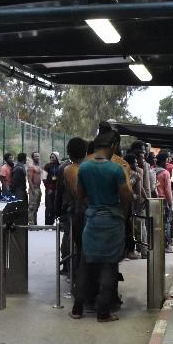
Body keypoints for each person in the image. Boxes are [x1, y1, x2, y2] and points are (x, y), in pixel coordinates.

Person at [71, 132, 132, 322]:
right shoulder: (116, 169)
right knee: (109, 266)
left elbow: (79, 194)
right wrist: (120, 213)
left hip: (92, 221)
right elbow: (126, 196)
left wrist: (93, 206)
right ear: (113, 145)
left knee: (85, 265)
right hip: (112, 223)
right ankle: (103, 312)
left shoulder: (84, 168)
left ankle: (77, 309)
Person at [56, 138, 87, 279]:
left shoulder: (65, 168)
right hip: (85, 212)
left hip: (72, 211)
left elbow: (58, 192)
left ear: (69, 152)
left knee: (70, 239)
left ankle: (70, 269)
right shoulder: (90, 166)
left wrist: (56, 211)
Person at [154, 152, 173, 244]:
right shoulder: (165, 173)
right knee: (166, 223)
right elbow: (167, 189)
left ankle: (156, 242)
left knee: (155, 223)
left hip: (154, 200)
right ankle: (165, 244)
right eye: (167, 159)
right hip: (164, 200)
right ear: (164, 161)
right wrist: (170, 202)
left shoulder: (152, 170)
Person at [43, 151, 61, 226]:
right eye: (50, 157)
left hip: (57, 189)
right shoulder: (47, 165)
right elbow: (44, 177)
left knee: (55, 205)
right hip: (49, 188)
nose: (51, 158)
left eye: (53, 157)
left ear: (57, 158)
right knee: (49, 206)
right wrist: (47, 187)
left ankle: (53, 221)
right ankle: (47, 223)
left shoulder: (60, 165)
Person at [27, 151, 43, 224]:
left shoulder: (38, 166)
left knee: (36, 207)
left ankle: (35, 222)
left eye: (38, 156)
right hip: (34, 189)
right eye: (36, 156)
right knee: (32, 207)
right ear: (33, 157)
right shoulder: (31, 167)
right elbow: (29, 179)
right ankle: (31, 223)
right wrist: (33, 190)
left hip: (38, 189)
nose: (38, 157)